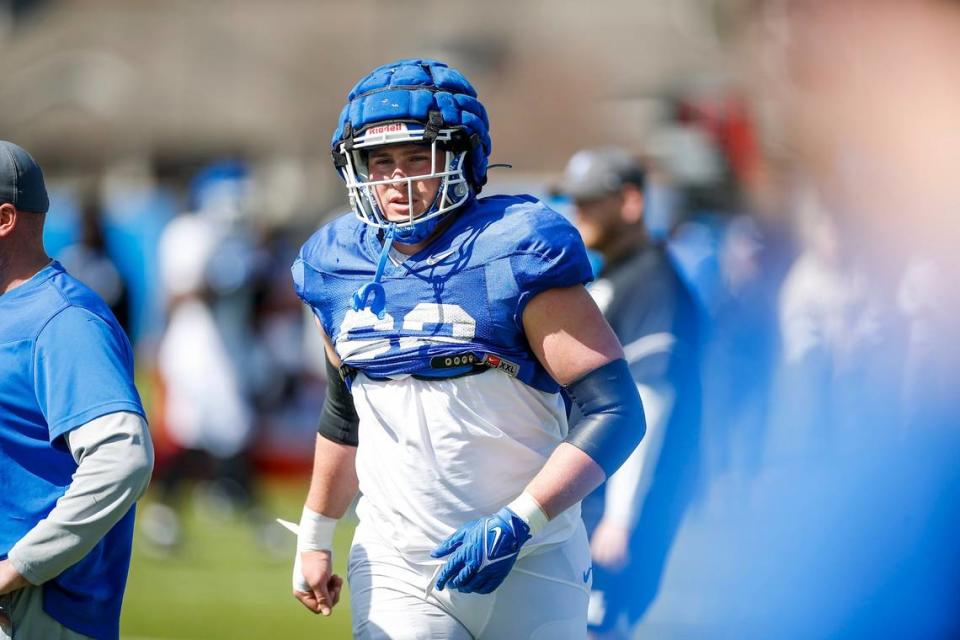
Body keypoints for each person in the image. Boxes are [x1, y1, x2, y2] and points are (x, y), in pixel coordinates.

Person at [289, 59, 645, 639]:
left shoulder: (515, 248)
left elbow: (616, 410)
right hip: (399, 555)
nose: (397, 181)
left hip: (535, 553)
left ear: (462, 157)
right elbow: (344, 414)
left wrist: (519, 522)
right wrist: (314, 535)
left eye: (417, 158)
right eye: (380, 161)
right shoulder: (337, 266)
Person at [0, 140, 154, 640]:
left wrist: (19, 567)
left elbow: (121, 457)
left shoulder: (63, 320)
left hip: (34, 609)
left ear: (4, 219)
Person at [557, 147, 702, 639]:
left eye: (590, 201)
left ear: (630, 202)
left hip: (621, 509)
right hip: (587, 502)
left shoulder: (654, 283)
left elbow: (651, 402)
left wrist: (620, 519)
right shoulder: (612, 277)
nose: (578, 213)